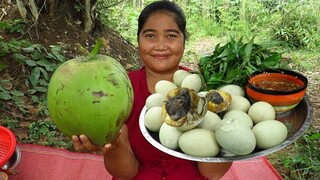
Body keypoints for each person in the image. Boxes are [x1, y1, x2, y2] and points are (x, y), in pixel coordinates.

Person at [72, 1, 232, 179]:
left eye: (171, 36)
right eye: (150, 35)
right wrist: (112, 147)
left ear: (184, 40)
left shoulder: (205, 91)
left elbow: (213, 172)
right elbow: (126, 172)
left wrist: (230, 137)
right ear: (138, 39)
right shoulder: (120, 89)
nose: (160, 45)